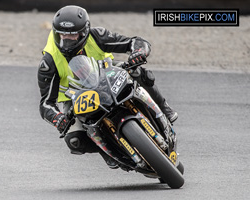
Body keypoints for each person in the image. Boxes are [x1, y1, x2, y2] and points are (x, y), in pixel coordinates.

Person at [37, 5, 178, 168]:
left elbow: (135, 42)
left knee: (139, 73)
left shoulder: (97, 36)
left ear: (84, 32)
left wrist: (138, 53)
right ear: (55, 32)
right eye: (61, 35)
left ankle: (163, 108)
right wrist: (57, 119)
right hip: (74, 95)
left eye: (73, 35)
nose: (66, 40)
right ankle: (107, 151)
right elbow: (46, 103)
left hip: (105, 72)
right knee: (75, 141)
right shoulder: (48, 61)